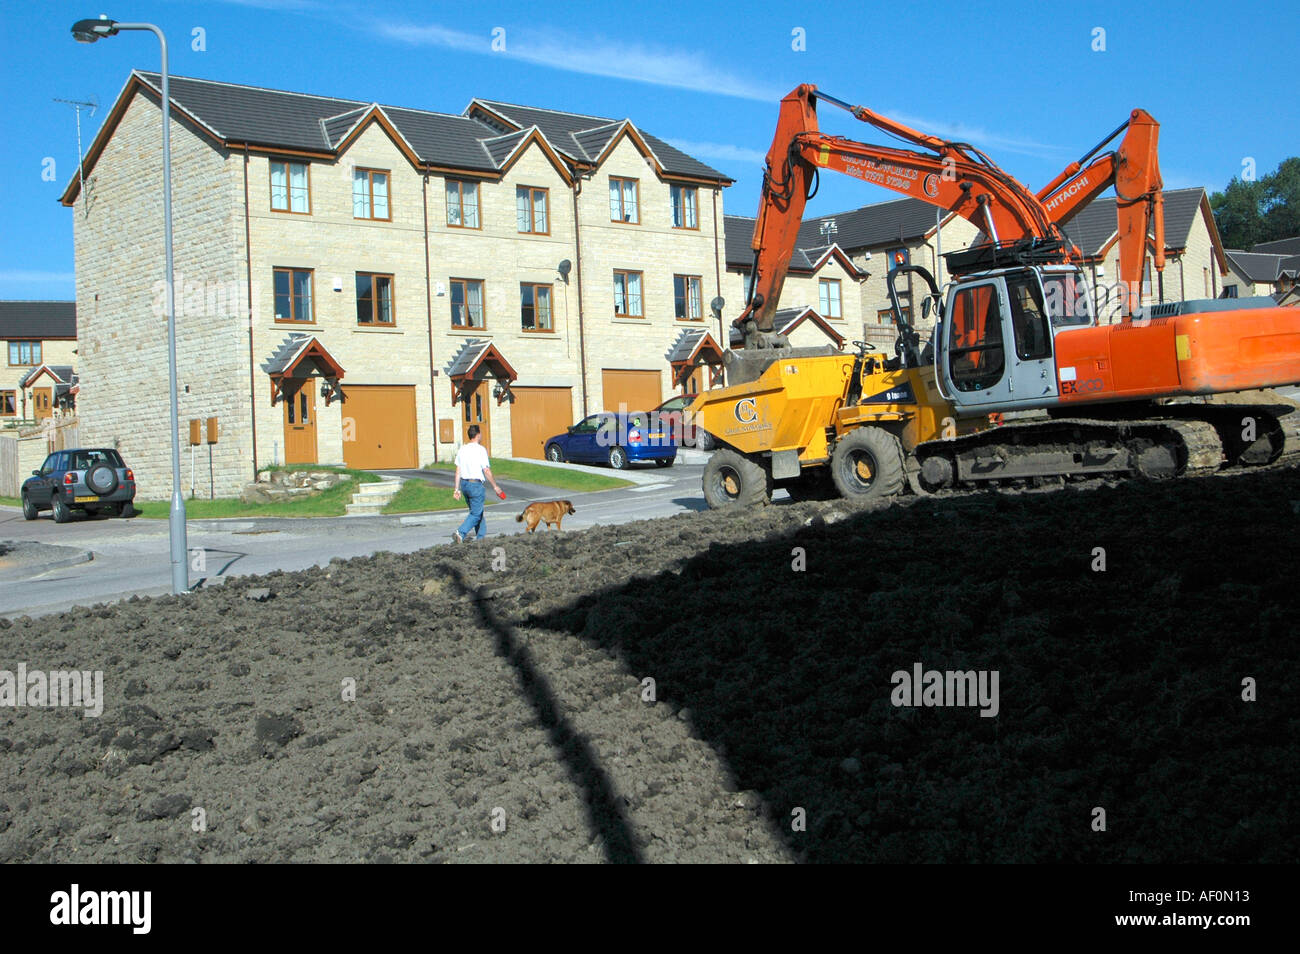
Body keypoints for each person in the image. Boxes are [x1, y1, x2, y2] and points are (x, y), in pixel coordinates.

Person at [451, 424, 503, 542]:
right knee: (475, 513)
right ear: (478, 435)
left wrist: (456, 489)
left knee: (477, 512)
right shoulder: (480, 450)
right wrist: (495, 486)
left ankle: (481, 539)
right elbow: (486, 470)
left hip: (464, 484)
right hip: (475, 485)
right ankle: (460, 532)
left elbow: (458, 470)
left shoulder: (462, 449)